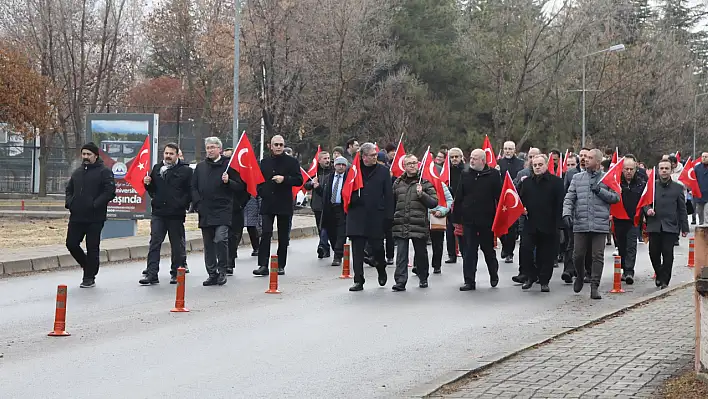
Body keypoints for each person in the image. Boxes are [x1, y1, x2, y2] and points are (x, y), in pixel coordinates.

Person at [562, 149, 620, 300]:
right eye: (585, 157)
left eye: (590, 158)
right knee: (578, 255)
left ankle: (595, 286)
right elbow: (569, 198)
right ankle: (580, 276)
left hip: (599, 224)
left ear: (598, 162)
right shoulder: (577, 178)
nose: (586, 160)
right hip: (580, 222)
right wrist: (567, 213)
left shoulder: (607, 178)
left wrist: (600, 191)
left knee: (597, 256)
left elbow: (616, 198)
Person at [191, 137, 245, 286]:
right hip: (205, 211)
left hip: (223, 210)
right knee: (208, 244)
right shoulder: (200, 167)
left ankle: (223, 270)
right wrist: (197, 204)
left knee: (220, 239)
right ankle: (211, 273)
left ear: (220, 149)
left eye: (213, 147)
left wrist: (229, 182)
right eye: (208, 147)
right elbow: (193, 187)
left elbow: (240, 187)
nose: (210, 150)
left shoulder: (228, 166)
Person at [139, 143, 193, 285]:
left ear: (177, 155)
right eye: (166, 153)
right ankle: (151, 274)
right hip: (159, 212)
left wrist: (182, 204)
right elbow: (152, 189)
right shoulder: (157, 168)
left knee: (176, 245)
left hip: (175, 213)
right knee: (154, 243)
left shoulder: (185, 171)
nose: (168, 156)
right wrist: (147, 183)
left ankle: (176, 272)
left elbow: (190, 191)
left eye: (171, 154)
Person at [65, 142, 116, 288]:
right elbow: (69, 190)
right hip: (77, 216)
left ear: (95, 156)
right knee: (71, 244)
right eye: (84, 154)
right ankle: (88, 266)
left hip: (95, 217)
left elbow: (109, 192)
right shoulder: (77, 172)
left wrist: (95, 204)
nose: (86, 157)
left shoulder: (104, 172)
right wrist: (70, 203)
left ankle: (89, 277)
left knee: (92, 247)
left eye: (89, 154)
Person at [346, 143, 394, 292]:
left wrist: (389, 216)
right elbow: (346, 190)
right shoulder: (354, 171)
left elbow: (388, 196)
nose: (375, 157)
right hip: (357, 215)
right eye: (372, 155)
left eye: (375, 155)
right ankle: (358, 280)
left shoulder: (383, 172)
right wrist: (353, 199)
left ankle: (381, 267)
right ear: (364, 157)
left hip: (376, 216)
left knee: (378, 248)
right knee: (358, 250)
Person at [253, 135, 303, 276]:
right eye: (276, 144)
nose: (279, 147)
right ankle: (263, 265)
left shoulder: (292, 162)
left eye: (281, 144)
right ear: (271, 146)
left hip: (284, 203)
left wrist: (285, 179)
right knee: (266, 233)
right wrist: (261, 192)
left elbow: (299, 180)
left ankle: (280, 265)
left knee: (283, 236)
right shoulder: (264, 162)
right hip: (268, 202)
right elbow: (259, 180)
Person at [452, 149, 502, 291]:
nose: (472, 161)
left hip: (487, 220)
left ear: (483, 160)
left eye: (475, 158)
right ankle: (469, 281)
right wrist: (456, 218)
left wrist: (501, 218)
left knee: (488, 250)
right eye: (471, 158)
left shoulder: (493, 175)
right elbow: (459, 197)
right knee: (469, 251)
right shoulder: (466, 174)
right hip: (469, 220)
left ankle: (493, 273)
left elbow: (499, 196)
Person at [517, 154, 564, 292]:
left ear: (546, 165)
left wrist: (558, 224)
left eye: (540, 165)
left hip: (549, 224)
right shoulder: (526, 182)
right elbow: (521, 200)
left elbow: (559, 204)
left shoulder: (556, 182)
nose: (537, 167)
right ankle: (530, 277)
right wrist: (522, 209)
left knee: (546, 255)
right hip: (530, 223)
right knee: (526, 251)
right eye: (535, 165)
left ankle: (544, 280)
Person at [390, 155, 438, 291]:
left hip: (418, 224)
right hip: (400, 223)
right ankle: (400, 281)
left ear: (418, 164)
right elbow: (392, 202)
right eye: (409, 164)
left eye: (414, 163)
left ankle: (423, 277)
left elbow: (434, 202)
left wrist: (422, 194)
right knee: (401, 255)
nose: (412, 166)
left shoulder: (425, 182)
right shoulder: (397, 183)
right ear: (404, 166)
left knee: (420, 253)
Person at [644, 159, 689, 289]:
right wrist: (648, 210)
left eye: (666, 168)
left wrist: (684, 227)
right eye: (662, 168)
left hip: (670, 226)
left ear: (671, 170)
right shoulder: (652, 186)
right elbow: (644, 203)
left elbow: (682, 209)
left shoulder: (678, 188)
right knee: (653, 253)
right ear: (658, 170)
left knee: (667, 254)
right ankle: (659, 273)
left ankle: (665, 280)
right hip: (654, 225)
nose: (664, 171)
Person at [614, 155, 646, 285]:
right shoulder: (617, 183)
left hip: (634, 220)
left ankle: (629, 271)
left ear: (635, 169)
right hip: (619, 219)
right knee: (621, 245)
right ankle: (623, 267)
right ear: (622, 170)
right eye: (626, 169)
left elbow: (645, 201)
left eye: (631, 169)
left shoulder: (641, 183)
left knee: (631, 246)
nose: (628, 171)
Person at [314, 156, 348, 266]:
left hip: (342, 209)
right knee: (331, 232)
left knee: (341, 233)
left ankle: (338, 255)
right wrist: (317, 187)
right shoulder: (329, 177)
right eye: (339, 164)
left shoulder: (348, 178)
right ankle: (336, 249)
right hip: (330, 208)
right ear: (335, 165)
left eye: (343, 165)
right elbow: (324, 193)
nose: (341, 167)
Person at [222, 147, 251, 275]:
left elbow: (244, 189)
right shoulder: (219, 169)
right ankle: (222, 262)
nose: (227, 160)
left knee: (233, 237)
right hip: (221, 208)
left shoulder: (240, 171)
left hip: (236, 208)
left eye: (230, 158)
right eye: (225, 157)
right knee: (221, 237)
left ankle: (229, 262)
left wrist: (240, 205)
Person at [497, 141, 525, 264]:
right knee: (500, 224)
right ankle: (504, 244)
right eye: (506, 148)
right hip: (500, 198)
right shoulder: (499, 163)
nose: (508, 151)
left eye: (510, 149)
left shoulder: (520, 164)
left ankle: (509, 252)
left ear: (514, 150)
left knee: (512, 227)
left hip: (514, 197)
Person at [304, 150, 333, 259]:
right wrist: (312, 183)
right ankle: (325, 247)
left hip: (329, 204)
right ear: (319, 160)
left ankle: (323, 246)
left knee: (325, 226)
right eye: (325, 158)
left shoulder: (332, 170)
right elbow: (306, 185)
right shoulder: (315, 172)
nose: (327, 160)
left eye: (328, 158)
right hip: (317, 204)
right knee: (320, 227)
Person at [445, 147, 466, 264]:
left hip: (461, 205)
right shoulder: (447, 171)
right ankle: (451, 254)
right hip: (449, 203)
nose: (454, 159)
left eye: (456, 157)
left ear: (461, 158)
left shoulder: (466, 171)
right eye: (451, 157)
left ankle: (464, 253)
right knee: (450, 231)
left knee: (461, 231)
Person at [429, 182, 453, 274]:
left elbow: (449, 200)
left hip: (436, 217)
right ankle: (418, 265)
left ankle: (436, 265)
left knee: (437, 243)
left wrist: (441, 211)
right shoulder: (417, 184)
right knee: (419, 244)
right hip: (421, 218)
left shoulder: (440, 184)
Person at [693, 152, 708, 224]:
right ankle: (701, 226)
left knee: (706, 213)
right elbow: (693, 180)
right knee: (699, 212)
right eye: (703, 156)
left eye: (706, 157)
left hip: (707, 195)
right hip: (699, 194)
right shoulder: (697, 168)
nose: (704, 158)